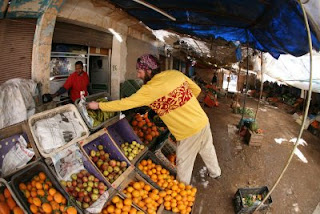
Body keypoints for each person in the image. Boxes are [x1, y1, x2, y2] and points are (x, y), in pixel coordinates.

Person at [88, 54, 221, 184]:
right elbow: (196, 90)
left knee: (184, 162)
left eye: (140, 71)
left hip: (187, 131)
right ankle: (216, 173)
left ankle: (182, 193)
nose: (138, 75)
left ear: (148, 70)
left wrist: (99, 105)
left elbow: (124, 103)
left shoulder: (149, 90)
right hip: (202, 119)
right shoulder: (174, 74)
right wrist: (180, 103)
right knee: (207, 148)